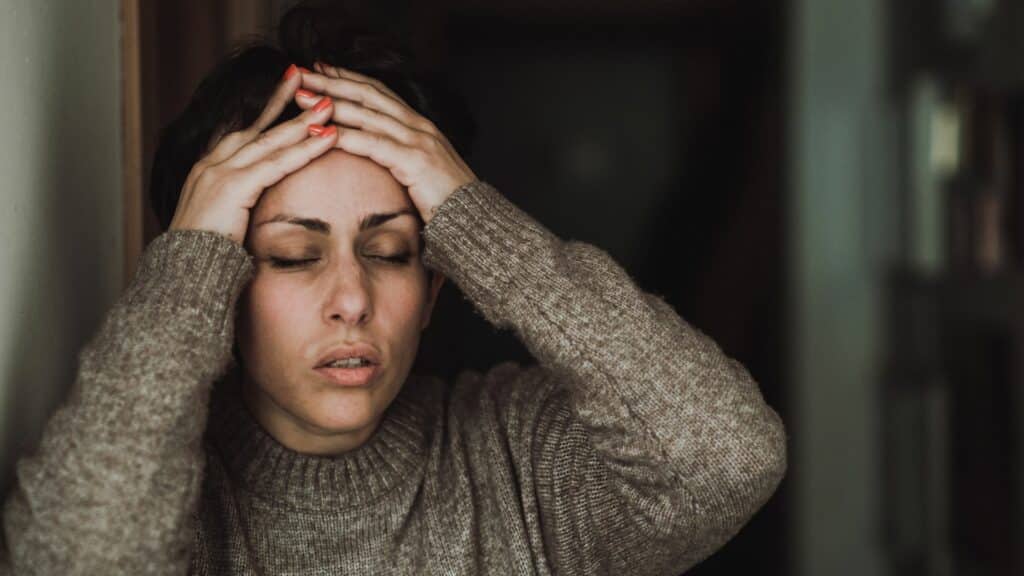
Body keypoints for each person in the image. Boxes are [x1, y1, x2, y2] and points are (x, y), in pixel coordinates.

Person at [0, 3, 787, 574]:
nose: (352, 298)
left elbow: (728, 459)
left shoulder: (519, 463)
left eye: (389, 250)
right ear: (219, 291)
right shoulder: (173, 499)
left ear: (438, 285)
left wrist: (473, 217)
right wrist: (189, 256)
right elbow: (70, 560)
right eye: (291, 256)